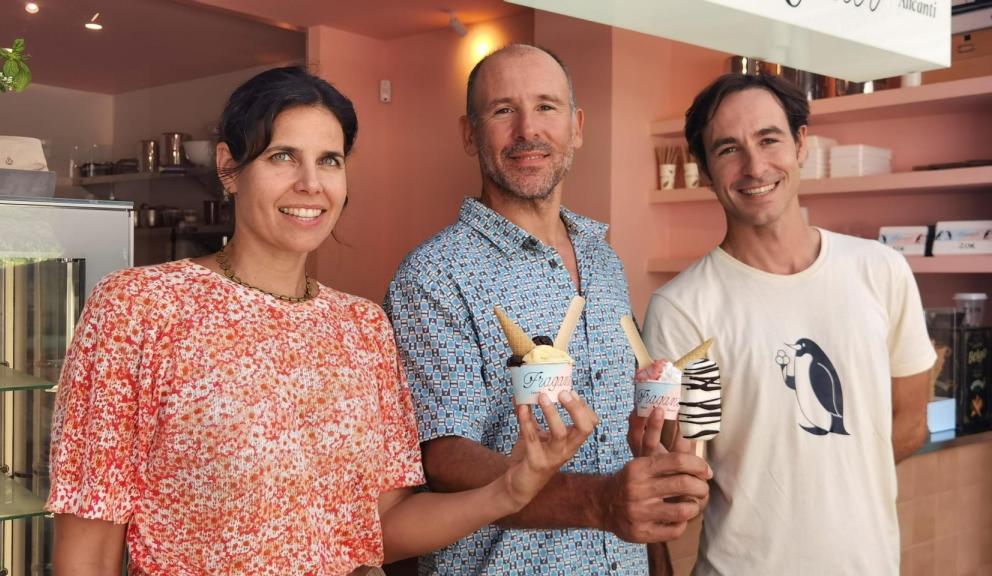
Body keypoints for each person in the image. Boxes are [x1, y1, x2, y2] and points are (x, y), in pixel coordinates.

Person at [45, 66, 600, 576]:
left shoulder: (361, 328)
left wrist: (512, 487)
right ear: (228, 168)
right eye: (282, 156)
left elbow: (380, 528)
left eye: (329, 160)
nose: (310, 183)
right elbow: (89, 549)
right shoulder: (140, 309)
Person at [385, 44, 711, 576]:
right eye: (502, 111)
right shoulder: (433, 276)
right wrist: (598, 502)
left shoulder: (603, 260)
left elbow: (619, 453)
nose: (527, 131)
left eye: (546, 107)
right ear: (470, 134)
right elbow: (443, 459)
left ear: (577, 126)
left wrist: (650, 461)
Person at [643, 73, 936, 574]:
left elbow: (909, 423)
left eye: (769, 139)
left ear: (801, 144)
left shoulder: (880, 270)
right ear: (706, 171)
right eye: (729, 149)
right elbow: (682, 471)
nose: (755, 166)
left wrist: (829, 483)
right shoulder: (684, 309)